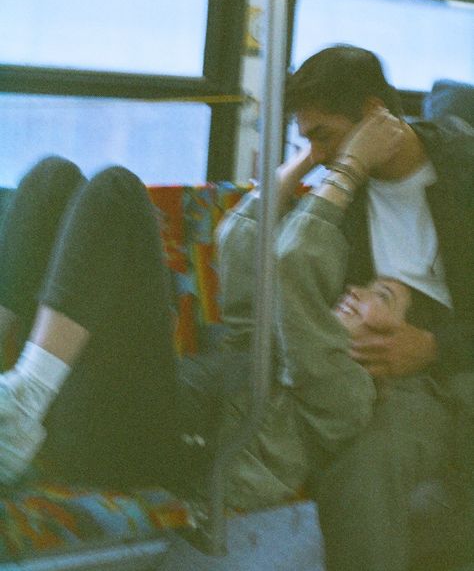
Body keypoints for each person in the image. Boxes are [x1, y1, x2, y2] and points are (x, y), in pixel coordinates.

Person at [221, 45, 473, 570]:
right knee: (351, 453)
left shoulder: (464, 175)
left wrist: (432, 347)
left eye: (323, 135)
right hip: (373, 371)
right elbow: (247, 255)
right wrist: (311, 160)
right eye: (305, 139)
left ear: (376, 113)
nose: (319, 155)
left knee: (372, 458)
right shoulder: (341, 191)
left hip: (454, 360)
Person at [0, 157, 182, 490]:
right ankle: (22, 398)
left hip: (123, 442)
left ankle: (26, 396)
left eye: (313, 137)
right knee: (53, 178)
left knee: (116, 188)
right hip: (65, 422)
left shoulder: (298, 241)